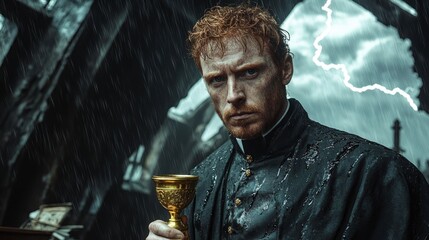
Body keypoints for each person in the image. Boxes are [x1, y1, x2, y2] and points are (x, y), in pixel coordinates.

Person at [147, 4, 429, 240]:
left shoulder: (374, 176)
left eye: (249, 73)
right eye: (217, 80)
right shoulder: (200, 184)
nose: (233, 95)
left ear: (285, 69)